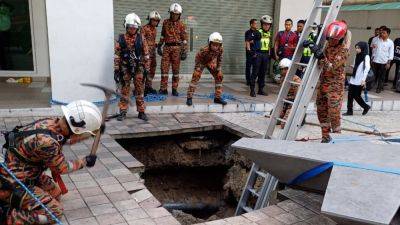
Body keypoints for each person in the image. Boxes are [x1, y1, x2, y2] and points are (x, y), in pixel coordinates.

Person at [0, 100, 102, 224]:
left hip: (27, 173)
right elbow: (62, 168)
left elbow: (66, 140)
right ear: (76, 129)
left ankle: (20, 202)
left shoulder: (53, 122)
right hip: (12, 183)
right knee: (54, 213)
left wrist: (92, 134)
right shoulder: (47, 143)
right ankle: (6, 216)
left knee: (56, 192)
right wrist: (85, 161)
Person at [316, 21, 349, 143]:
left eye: (334, 39)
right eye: (329, 38)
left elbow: (331, 66)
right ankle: (325, 138)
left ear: (341, 38)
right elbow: (320, 64)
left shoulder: (343, 50)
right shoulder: (327, 46)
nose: (331, 41)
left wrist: (321, 57)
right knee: (321, 112)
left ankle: (337, 139)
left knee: (334, 114)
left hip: (335, 87)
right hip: (323, 85)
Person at [114, 13, 150, 121]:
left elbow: (146, 54)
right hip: (125, 68)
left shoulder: (141, 38)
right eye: (130, 27)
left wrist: (147, 70)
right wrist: (116, 70)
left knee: (139, 90)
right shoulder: (121, 38)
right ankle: (123, 112)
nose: (132, 29)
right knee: (125, 90)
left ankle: (141, 111)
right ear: (126, 26)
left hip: (139, 67)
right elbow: (117, 55)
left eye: (135, 27)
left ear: (137, 28)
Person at [186, 32, 227, 106]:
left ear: (220, 45)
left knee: (219, 76)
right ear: (210, 43)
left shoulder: (220, 49)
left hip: (211, 62)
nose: (215, 47)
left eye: (217, 45)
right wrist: (197, 68)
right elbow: (197, 58)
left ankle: (217, 98)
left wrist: (219, 70)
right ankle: (189, 97)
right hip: (201, 62)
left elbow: (219, 59)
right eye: (213, 44)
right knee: (196, 76)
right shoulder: (204, 50)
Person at [157, 3, 188, 96]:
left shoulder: (182, 24)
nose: (175, 15)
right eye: (173, 14)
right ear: (170, 13)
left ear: (179, 15)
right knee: (164, 69)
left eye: (177, 14)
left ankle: (174, 89)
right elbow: (162, 35)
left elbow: (184, 39)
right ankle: (163, 89)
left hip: (177, 49)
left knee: (175, 70)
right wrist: (159, 46)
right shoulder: (165, 22)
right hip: (166, 48)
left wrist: (184, 51)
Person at [343, 42, 371, 116]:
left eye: (358, 48)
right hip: (354, 78)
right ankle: (349, 111)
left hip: (360, 80)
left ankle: (366, 107)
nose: (357, 49)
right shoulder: (357, 55)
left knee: (356, 96)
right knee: (350, 95)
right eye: (356, 48)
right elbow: (356, 64)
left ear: (363, 48)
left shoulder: (366, 56)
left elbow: (367, 68)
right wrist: (353, 66)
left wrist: (363, 80)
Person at [250, 15, 273, 97]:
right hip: (258, 54)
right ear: (262, 24)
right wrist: (253, 53)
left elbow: (268, 44)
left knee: (262, 73)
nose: (267, 26)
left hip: (265, 55)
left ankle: (260, 90)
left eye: (268, 24)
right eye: (265, 24)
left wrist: (269, 53)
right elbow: (250, 42)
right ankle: (252, 90)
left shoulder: (269, 33)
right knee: (255, 73)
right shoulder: (257, 32)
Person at [278, 58, 302, 129]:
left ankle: (299, 116)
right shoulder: (282, 79)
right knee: (275, 119)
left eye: (285, 69)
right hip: (285, 102)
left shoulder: (296, 80)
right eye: (281, 69)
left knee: (284, 125)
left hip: (292, 103)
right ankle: (285, 113)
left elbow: (297, 97)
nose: (283, 71)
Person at [142, 11, 161, 96]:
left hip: (153, 53)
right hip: (145, 54)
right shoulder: (144, 28)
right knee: (145, 70)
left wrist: (156, 44)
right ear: (150, 20)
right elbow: (142, 41)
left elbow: (151, 41)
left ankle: (148, 86)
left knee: (152, 70)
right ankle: (140, 88)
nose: (155, 22)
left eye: (157, 21)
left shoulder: (155, 29)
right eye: (153, 20)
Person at [371, 27, 394, 93]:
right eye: (381, 33)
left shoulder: (390, 42)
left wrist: (388, 63)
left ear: (388, 34)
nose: (382, 34)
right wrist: (372, 59)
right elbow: (373, 50)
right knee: (373, 75)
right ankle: (370, 86)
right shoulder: (376, 40)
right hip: (375, 61)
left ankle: (379, 88)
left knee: (382, 76)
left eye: (384, 33)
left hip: (384, 62)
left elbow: (391, 53)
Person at [244, 19, 258, 86]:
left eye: (256, 23)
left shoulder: (257, 32)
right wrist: (250, 42)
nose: (256, 25)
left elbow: (257, 41)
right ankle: (248, 80)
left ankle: (253, 79)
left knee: (255, 66)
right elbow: (247, 41)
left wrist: (252, 41)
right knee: (248, 66)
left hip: (256, 51)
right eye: (255, 23)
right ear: (251, 24)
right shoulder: (247, 32)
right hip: (249, 51)